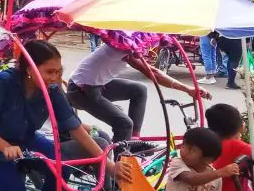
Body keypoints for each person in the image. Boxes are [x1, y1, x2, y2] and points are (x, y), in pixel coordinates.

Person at [0, 40, 129, 191]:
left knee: (62, 169)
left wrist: (107, 164)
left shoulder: (53, 89)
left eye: (58, 71)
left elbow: (75, 129)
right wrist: (5, 147)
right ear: (30, 69)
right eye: (50, 72)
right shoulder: (4, 82)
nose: (55, 78)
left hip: (27, 138)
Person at [66, 43, 210, 142]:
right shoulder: (124, 47)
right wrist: (187, 89)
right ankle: (119, 169)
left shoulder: (128, 46)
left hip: (98, 85)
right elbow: (153, 73)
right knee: (124, 124)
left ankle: (134, 139)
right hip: (81, 90)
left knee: (139, 90)